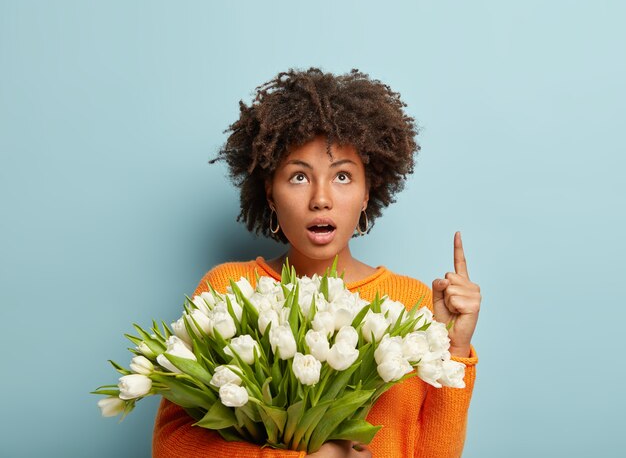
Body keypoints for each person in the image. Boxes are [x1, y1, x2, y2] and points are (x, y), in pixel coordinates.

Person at [153, 68, 481, 458]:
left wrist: (456, 349)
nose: (321, 199)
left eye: (342, 176)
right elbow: (171, 445)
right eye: (298, 177)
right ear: (270, 196)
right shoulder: (228, 289)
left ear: (366, 195)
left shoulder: (413, 303)